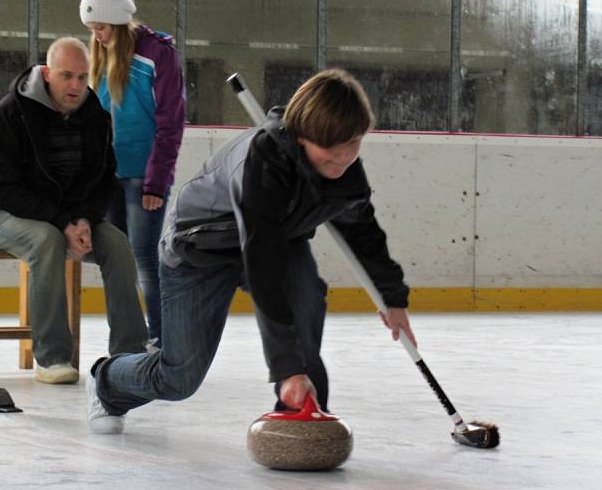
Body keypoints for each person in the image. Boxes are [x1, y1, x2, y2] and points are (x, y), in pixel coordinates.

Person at [85, 68, 417, 433]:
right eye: (330, 153)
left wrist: (392, 297)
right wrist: (286, 367)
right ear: (303, 136)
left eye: (351, 147)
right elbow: (263, 264)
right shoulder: (262, 163)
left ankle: (300, 420)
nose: (341, 162)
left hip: (276, 241)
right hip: (200, 250)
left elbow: (364, 232)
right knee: (179, 377)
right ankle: (106, 381)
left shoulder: (345, 171)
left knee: (306, 296)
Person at [0, 37, 148, 385]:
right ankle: (52, 357)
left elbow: (103, 180)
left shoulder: (94, 116)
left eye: (83, 78)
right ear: (47, 73)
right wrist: (62, 223)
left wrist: (84, 219)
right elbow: (2, 188)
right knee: (47, 240)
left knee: (116, 243)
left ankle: (130, 354)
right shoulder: (10, 113)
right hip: (2, 213)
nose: (75, 86)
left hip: (70, 217)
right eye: (67, 76)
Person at [79, 0, 186, 348]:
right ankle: (126, 334)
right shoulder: (100, 54)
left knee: (142, 256)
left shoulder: (158, 55)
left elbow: (170, 122)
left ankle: (160, 334)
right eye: (92, 31)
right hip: (109, 174)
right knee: (114, 257)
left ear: (119, 23)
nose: (97, 36)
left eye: (102, 29)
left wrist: (157, 182)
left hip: (144, 176)